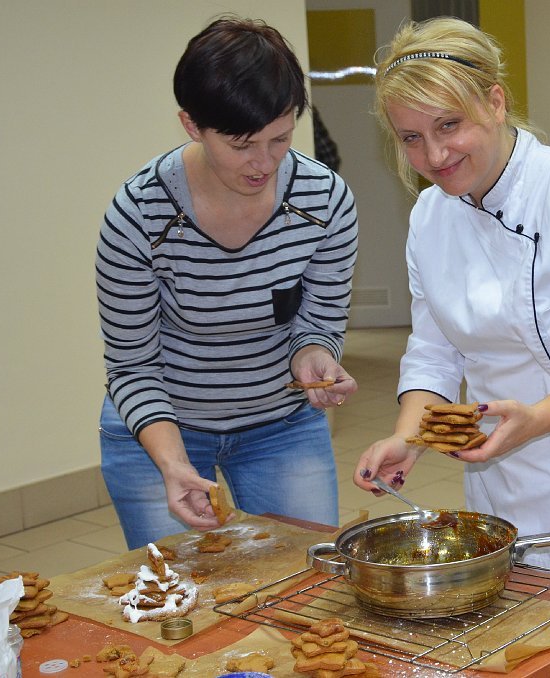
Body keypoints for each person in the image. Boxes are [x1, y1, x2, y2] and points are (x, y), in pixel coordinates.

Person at [353, 18, 550, 678]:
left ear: (495, 102)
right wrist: (408, 437)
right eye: (410, 137)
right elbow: (435, 352)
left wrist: (532, 420)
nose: (433, 154)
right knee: (522, 663)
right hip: (502, 489)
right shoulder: (430, 217)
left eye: (449, 125)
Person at [96, 16, 359, 551]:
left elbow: (319, 320)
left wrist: (313, 355)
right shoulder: (139, 214)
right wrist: (174, 463)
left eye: (280, 139)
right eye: (241, 144)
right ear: (192, 125)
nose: (263, 163)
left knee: (302, 577)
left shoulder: (324, 200)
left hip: (282, 427)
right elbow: (132, 365)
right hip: (164, 431)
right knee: (177, 592)